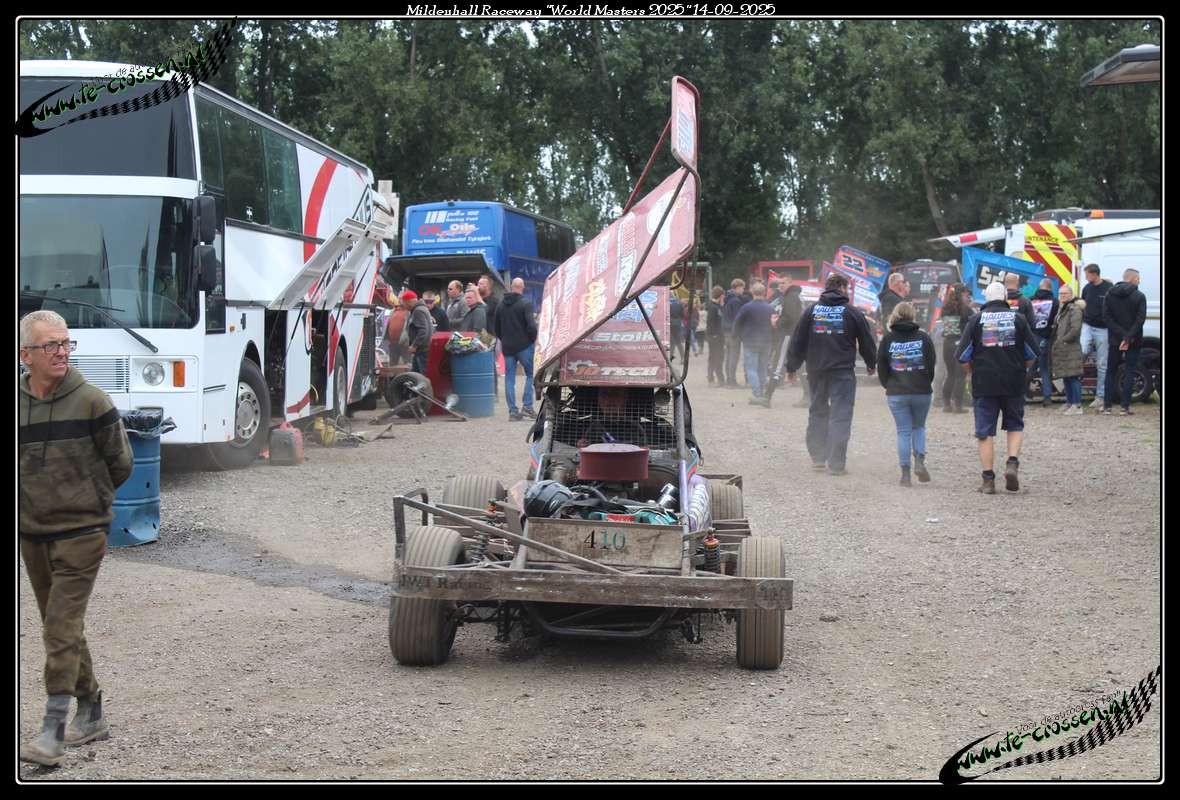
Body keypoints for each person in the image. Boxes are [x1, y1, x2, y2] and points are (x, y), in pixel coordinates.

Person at [19, 310, 133, 766]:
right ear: (25, 355)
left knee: (59, 626)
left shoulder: (92, 401)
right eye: (50, 345)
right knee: (59, 624)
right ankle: (92, 709)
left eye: (66, 343)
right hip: (32, 533)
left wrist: (89, 503)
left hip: (83, 533)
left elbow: (121, 464)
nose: (61, 352)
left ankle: (52, 731)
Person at [785, 272, 877, 476]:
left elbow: (798, 340)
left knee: (818, 411)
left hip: (816, 370)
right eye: (847, 289)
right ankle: (836, 464)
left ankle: (818, 458)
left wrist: (791, 367)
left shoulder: (811, 311)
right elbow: (866, 340)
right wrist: (871, 362)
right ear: (842, 288)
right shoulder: (851, 312)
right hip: (842, 371)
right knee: (840, 415)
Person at [955, 281, 1038, 494]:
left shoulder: (976, 320)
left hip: (984, 382)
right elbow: (1032, 353)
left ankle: (988, 480)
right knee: (1015, 425)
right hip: (1014, 381)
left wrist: (972, 372)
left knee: (984, 432)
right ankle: (1012, 463)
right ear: (1005, 298)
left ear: (986, 299)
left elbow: (962, 356)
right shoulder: (1018, 319)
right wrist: (1020, 367)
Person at [877, 302, 937, 486]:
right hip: (921, 391)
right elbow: (931, 364)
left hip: (897, 392)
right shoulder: (923, 337)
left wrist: (889, 385)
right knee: (919, 427)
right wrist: (925, 381)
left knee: (903, 431)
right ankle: (919, 459)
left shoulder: (888, 339)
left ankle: (905, 474)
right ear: (913, 316)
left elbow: (882, 366)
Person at [1102, 268, 1148, 416]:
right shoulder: (1139, 296)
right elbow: (1140, 320)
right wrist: (1128, 337)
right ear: (1132, 278)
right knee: (1130, 371)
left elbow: (1107, 317)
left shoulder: (1110, 294)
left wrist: (1121, 335)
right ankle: (1124, 407)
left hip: (1115, 339)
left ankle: (1107, 406)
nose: (1139, 281)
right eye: (1138, 278)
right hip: (1133, 340)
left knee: (1110, 371)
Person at [495, 277, 538, 421]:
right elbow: (531, 326)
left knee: (509, 378)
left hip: (508, 348)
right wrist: (532, 340)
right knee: (531, 374)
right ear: (522, 288)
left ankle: (513, 412)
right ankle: (527, 406)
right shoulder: (526, 303)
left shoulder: (500, 305)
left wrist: (504, 339)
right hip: (524, 346)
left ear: (511, 287)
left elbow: (496, 328)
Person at [734, 282, 774, 405]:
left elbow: (737, 323)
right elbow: (775, 324)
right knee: (763, 368)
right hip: (767, 341)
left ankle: (757, 394)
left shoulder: (746, 307)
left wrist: (736, 335)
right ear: (764, 293)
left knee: (751, 368)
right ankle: (762, 392)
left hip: (750, 341)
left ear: (752, 293)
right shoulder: (770, 308)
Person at [1080, 263, 1113, 411]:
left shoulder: (1108, 288)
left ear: (1094, 274)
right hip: (1087, 324)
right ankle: (1077, 378)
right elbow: (1083, 304)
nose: (1086, 277)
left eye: (1087, 274)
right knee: (1082, 350)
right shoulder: (1087, 288)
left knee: (1102, 363)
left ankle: (1100, 396)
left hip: (1103, 328)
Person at [1050, 284, 1085, 416]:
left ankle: (1077, 405)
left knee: (1073, 376)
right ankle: (1070, 402)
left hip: (1071, 348)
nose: (1062, 296)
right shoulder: (1062, 309)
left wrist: (1064, 340)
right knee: (1066, 376)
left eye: (1065, 293)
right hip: (1062, 348)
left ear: (1071, 295)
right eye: (1060, 294)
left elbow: (1075, 329)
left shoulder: (1074, 309)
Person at [938, 285, 974, 413]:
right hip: (961, 344)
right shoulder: (966, 310)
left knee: (950, 374)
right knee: (960, 375)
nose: (968, 297)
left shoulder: (945, 309)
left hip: (948, 343)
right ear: (962, 294)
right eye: (967, 295)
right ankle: (958, 405)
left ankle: (947, 403)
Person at [402, 290, 434, 374]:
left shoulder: (418, 311)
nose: (403, 306)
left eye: (404, 303)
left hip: (422, 350)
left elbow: (423, 331)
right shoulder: (421, 309)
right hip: (423, 349)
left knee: (422, 375)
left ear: (409, 302)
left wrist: (414, 345)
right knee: (416, 375)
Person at [722, 278, 747, 387]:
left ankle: (729, 379)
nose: (743, 290)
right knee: (734, 357)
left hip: (726, 331)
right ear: (737, 287)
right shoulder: (736, 301)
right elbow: (738, 318)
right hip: (734, 332)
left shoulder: (727, 298)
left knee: (728, 357)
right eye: (742, 288)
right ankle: (732, 381)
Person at [706, 286, 726, 386]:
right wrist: (713, 335)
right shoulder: (713, 307)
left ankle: (713, 378)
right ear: (721, 296)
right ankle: (718, 379)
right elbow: (711, 322)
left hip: (717, 336)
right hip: (715, 337)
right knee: (717, 358)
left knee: (715, 358)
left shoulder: (716, 306)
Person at [669, 293, 685, 362]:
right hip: (678, 324)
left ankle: (670, 358)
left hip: (670, 324)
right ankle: (682, 358)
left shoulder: (668, 304)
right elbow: (683, 315)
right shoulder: (679, 304)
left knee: (672, 342)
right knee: (678, 342)